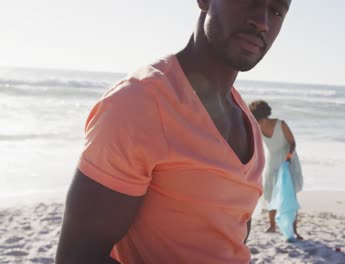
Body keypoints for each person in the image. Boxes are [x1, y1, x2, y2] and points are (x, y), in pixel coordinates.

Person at [55, 0, 292, 263]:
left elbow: (229, 241)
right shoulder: (139, 102)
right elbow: (77, 257)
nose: (262, 21)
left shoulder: (247, 121)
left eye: (277, 11)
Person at [249, 100, 303, 240]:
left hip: (287, 161)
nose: (257, 122)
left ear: (262, 116)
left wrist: (288, 158)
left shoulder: (281, 124)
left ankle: (294, 230)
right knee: (271, 193)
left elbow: (292, 143)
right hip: (272, 161)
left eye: (257, 118)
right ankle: (272, 225)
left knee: (289, 195)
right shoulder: (258, 128)